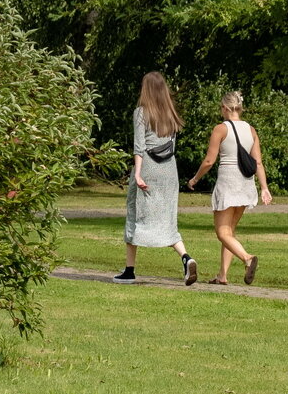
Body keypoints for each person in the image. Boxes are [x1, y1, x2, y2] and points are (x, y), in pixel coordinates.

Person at [115, 71, 198, 285]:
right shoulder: (170, 113)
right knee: (167, 217)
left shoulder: (141, 113)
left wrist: (139, 173)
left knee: (134, 212)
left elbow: (139, 147)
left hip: (149, 167)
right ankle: (186, 257)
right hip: (169, 169)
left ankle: (129, 270)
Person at [186, 91, 271, 285]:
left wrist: (195, 179)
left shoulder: (220, 129)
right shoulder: (251, 129)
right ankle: (222, 276)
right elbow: (258, 162)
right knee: (230, 231)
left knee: (222, 233)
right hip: (246, 184)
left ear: (225, 108)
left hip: (228, 183)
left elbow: (209, 160)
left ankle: (247, 258)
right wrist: (264, 187)